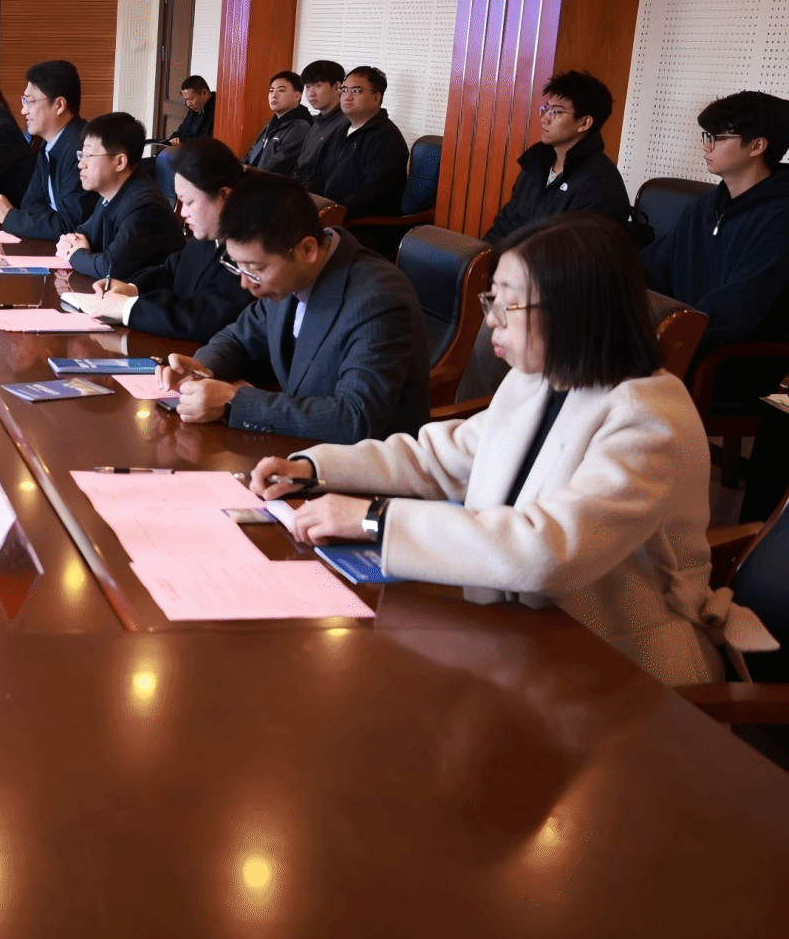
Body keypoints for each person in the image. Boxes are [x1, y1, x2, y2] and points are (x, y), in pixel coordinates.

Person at [252, 215, 778, 687]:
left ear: (575, 310)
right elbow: (440, 458)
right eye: (492, 299)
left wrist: (374, 520)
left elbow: (549, 549)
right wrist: (315, 466)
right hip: (520, 630)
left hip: (619, 662)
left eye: (509, 303)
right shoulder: (542, 378)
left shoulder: (648, 416)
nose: (491, 320)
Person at [158, 174, 429, 443]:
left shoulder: (377, 299)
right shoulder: (292, 275)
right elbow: (239, 339)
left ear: (307, 249)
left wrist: (233, 402)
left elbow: (356, 418)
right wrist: (202, 369)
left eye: (254, 269)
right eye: (237, 266)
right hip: (298, 447)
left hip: (363, 462)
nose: (245, 283)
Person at [641, 91, 789, 410]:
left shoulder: (781, 217)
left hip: (735, 361)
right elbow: (653, 267)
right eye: (706, 136)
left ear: (757, 145)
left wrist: (670, 335)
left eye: (718, 138)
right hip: (682, 342)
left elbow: (739, 308)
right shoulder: (704, 207)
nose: (706, 146)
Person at [87, 139, 255, 342]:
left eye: (189, 202)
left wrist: (127, 308)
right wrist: (131, 288)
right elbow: (173, 269)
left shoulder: (250, 252)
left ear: (224, 196)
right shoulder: (208, 233)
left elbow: (204, 318)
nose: (183, 213)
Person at [481, 71, 632, 245]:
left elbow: (573, 254)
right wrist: (483, 257)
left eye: (556, 112)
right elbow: (505, 225)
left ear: (584, 123)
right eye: (546, 109)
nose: (544, 119)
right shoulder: (535, 163)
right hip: (513, 260)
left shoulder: (600, 184)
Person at [54, 111, 181, 279]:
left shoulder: (145, 208)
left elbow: (110, 269)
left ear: (120, 162)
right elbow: (80, 235)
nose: (81, 164)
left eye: (88, 156)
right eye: (81, 155)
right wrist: (72, 245)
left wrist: (76, 255)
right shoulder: (111, 195)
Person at [0, 59, 97, 239]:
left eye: (30, 102)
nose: (24, 111)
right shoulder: (49, 143)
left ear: (59, 105)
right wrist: (49, 220)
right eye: (24, 101)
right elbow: (31, 203)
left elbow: (71, 224)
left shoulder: (82, 149)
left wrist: (10, 217)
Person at [297, 65, 409, 221]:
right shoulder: (341, 131)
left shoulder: (386, 137)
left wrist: (330, 213)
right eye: (344, 90)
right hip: (328, 212)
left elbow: (371, 196)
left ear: (376, 97)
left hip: (360, 223)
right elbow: (319, 175)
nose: (347, 97)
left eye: (356, 91)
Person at [243, 71, 315, 175]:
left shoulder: (300, 127)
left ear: (297, 96)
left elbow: (278, 166)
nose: (274, 95)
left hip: (270, 182)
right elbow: (251, 156)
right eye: (271, 90)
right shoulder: (272, 123)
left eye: (281, 90)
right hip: (255, 179)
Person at [291, 59, 348, 180]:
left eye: (318, 85)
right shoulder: (317, 122)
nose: (310, 93)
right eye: (307, 87)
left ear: (337, 86)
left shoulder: (345, 124)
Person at [167, 75, 214, 143]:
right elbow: (181, 131)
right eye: (186, 100)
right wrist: (172, 140)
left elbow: (203, 141)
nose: (188, 104)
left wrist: (181, 142)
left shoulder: (217, 109)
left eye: (191, 99)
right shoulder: (194, 110)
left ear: (204, 93)